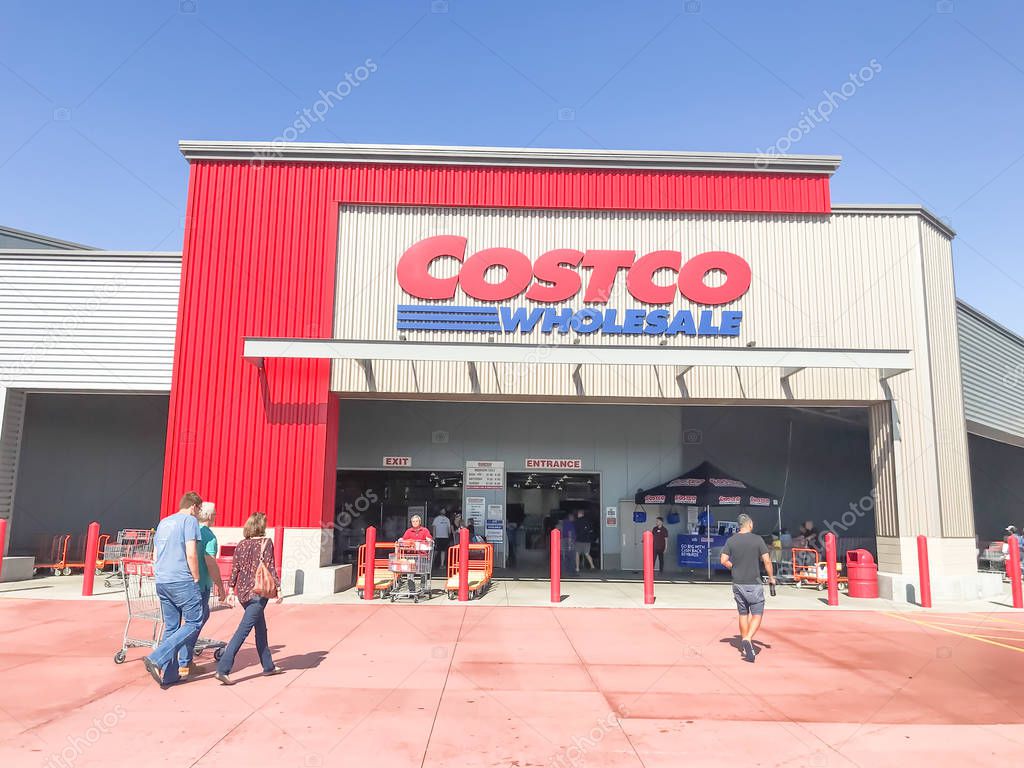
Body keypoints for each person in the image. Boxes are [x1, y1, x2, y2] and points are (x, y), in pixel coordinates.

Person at [141, 492, 205, 687]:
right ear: (193, 506)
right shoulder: (189, 521)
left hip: (163, 580)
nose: (198, 513)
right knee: (194, 622)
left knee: (171, 627)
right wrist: (195, 577)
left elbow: (155, 553)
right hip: (181, 579)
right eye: (199, 509)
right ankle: (157, 657)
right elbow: (191, 552)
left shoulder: (164, 522)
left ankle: (169, 675)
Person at [215, 512, 283, 685]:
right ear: (261, 526)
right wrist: (279, 588)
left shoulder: (241, 544)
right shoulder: (266, 543)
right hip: (258, 592)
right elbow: (270, 566)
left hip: (243, 593)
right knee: (243, 631)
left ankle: (268, 666)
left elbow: (235, 568)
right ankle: (223, 668)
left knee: (261, 629)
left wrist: (231, 590)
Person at [177, 501, 227, 678]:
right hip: (201, 585)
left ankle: (182, 657)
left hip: (182, 582)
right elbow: (211, 562)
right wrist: (220, 586)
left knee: (188, 621)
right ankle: (185, 661)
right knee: (196, 621)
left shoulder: (190, 530)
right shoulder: (209, 536)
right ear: (211, 516)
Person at [720, 513, 776, 663]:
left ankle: (745, 645)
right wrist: (771, 577)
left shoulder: (731, 540)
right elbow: (767, 561)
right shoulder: (757, 540)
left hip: (738, 583)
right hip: (754, 582)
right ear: (750, 524)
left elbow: (723, 560)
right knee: (757, 613)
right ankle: (748, 638)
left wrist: (734, 567)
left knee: (743, 613)